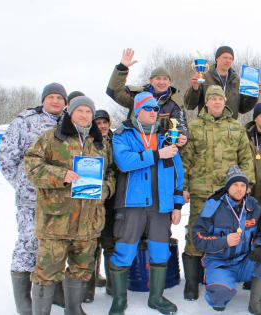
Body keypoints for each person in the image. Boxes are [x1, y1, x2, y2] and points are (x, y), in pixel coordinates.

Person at [24, 96, 116, 314]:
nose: (85, 115)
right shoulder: (52, 138)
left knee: (82, 269)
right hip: (56, 222)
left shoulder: (99, 143)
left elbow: (111, 172)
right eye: (80, 111)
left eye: (88, 112)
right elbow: (32, 166)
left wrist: (106, 189)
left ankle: (73, 309)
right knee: (46, 271)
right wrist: (61, 175)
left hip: (88, 223)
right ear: (70, 112)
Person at [108, 92, 184, 315]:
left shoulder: (167, 136)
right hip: (131, 204)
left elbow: (178, 172)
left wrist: (177, 205)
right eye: (148, 108)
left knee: (160, 252)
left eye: (156, 109)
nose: (154, 112)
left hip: (161, 206)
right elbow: (124, 162)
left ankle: (157, 298)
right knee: (124, 251)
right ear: (137, 111)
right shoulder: (123, 134)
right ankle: (119, 301)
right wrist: (157, 154)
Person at [0, 82, 67, 315]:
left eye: (60, 97)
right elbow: (6, 157)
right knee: (28, 244)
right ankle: (24, 301)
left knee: (56, 244)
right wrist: (22, 184)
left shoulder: (69, 122)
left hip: (61, 198)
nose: (56, 101)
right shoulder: (25, 121)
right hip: (32, 198)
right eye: (51, 97)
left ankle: (54, 290)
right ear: (43, 99)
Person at [181, 85, 255, 301]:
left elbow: (246, 158)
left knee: (226, 233)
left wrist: (247, 182)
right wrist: (183, 187)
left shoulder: (236, 127)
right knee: (196, 232)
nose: (216, 102)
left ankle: (220, 274)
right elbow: (185, 160)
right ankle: (192, 284)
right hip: (200, 191)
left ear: (224, 102)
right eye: (212, 99)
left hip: (228, 195)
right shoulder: (194, 127)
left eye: (219, 99)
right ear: (206, 102)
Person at [192, 165, 261, 313]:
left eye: (243, 185)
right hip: (220, 263)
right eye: (235, 185)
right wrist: (224, 241)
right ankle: (220, 288)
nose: (239, 189)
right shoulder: (214, 207)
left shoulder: (254, 208)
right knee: (219, 299)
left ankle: (255, 303)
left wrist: (259, 246)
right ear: (228, 187)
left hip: (245, 260)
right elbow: (198, 238)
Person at [106, 48, 188, 145]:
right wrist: (122, 68)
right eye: (158, 78)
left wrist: (182, 136)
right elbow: (114, 92)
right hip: (135, 143)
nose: (161, 82)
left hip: (161, 147)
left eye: (165, 79)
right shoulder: (137, 96)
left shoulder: (175, 103)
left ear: (169, 82)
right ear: (151, 80)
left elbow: (180, 124)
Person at [84, 109, 116, 302]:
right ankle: (88, 288)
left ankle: (113, 286)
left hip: (111, 200)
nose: (102, 126)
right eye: (98, 123)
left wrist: (108, 188)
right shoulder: (87, 142)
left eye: (105, 122)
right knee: (90, 245)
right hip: (89, 201)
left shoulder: (115, 140)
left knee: (110, 242)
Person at [184, 45, 261, 119]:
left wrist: (254, 94)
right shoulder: (204, 77)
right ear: (217, 58)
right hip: (207, 128)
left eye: (230, 58)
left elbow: (243, 108)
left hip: (229, 129)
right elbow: (189, 105)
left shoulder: (238, 81)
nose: (228, 60)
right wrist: (195, 89)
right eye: (225, 57)